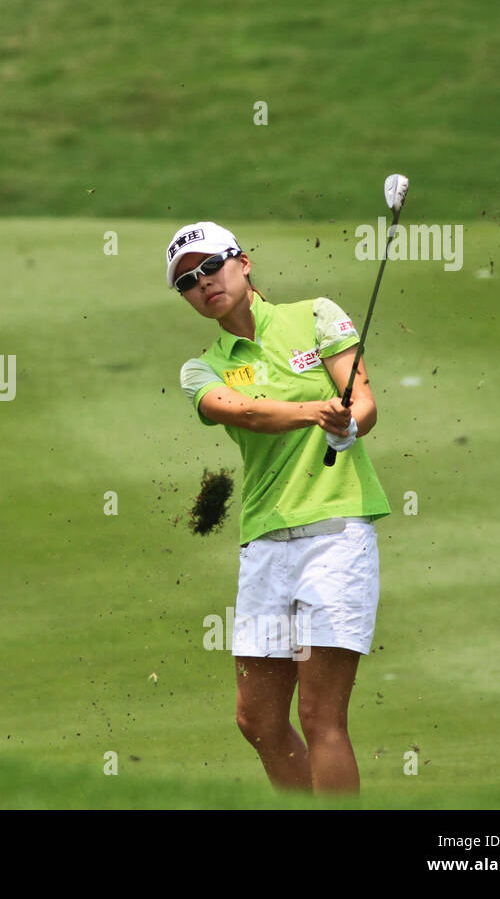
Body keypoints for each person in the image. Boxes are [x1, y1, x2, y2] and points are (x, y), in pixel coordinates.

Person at [167, 221, 392, 795]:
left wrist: (348, 425)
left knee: (321, 718)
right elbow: (243, 412)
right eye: (187, 282)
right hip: (265, 542)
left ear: (244, 262)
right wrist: (320, 412)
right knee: (258, 720)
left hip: (335, 537)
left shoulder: (315, 315)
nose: (203, 283)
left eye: (211, 266)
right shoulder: (202, 367)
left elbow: (361, 402)